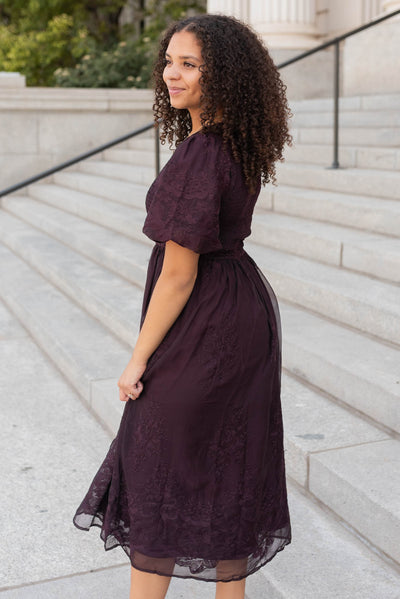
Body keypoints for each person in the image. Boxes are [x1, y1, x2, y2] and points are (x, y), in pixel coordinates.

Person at [73, 12, 292, 599]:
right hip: (242, 312)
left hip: (207, 321)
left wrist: (137, 359)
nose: (172, 74)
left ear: (222, 75)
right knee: (229, 473)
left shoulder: (202, 153)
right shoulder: (234, 140)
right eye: (170, 60)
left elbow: (177, 273)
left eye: (190, 64)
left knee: (154, 479)